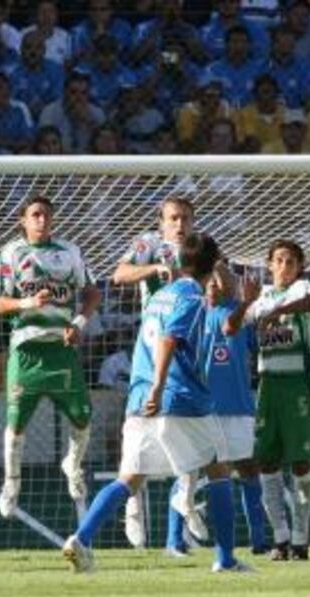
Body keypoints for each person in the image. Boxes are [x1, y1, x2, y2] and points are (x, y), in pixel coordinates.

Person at [64, 233, 248, 574]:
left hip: (139, 397)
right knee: (220, 470)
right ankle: (225, 559)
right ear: (213, 263)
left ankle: (81, 538)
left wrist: (149, 390)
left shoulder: (161, 295)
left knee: (130, 479)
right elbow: (169, 339)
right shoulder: (192, 297)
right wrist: (159, 388)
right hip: (177, 397)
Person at [0, 196, 101, 519]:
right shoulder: (11, 253)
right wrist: (28, 304)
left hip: (61, 351)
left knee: (82, 417)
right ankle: (11, 483)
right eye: (35, 215)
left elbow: (93, 292)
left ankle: (73, 464)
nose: (41, 220)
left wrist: (79, 323)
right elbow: (0, 304)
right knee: (16, 424)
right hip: (25, 351)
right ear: (22, 221)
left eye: (46, 215)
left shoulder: (70, 252)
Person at [165, 272, 269, 556]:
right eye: (207, 277)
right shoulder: (190, 311)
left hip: (237, 407)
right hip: (199, 409)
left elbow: (241, 333)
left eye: (218, 278)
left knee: (248, 468)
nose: (212, 282)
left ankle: (259, 540)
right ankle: (174, 541)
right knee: (188, 472)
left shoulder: (239, 313)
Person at [112, 195, 193, 547]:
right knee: (140, 423)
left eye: (185, 218)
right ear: (161, 222)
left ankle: (185, 512)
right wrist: (153, 270)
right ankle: (132, 503)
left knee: (191, 432)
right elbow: (119, 274)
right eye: (173, 218)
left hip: (190, 346)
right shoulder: (149, 244)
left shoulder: (199, 249)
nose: (179, 225)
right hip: (152, 344)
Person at [249, 240, 310, 561]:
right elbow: (235, 322)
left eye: (291, 261)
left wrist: (280, 311)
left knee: (301, 462)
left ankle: (301, 538)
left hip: (297, 385)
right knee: (266, 461)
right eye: (278, 261)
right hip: (267, 386)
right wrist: (244, 302)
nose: (284, 267)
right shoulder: (261, 297)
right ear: (269, 265)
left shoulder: (304, 288)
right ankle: (280, 538)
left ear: (300, 267)